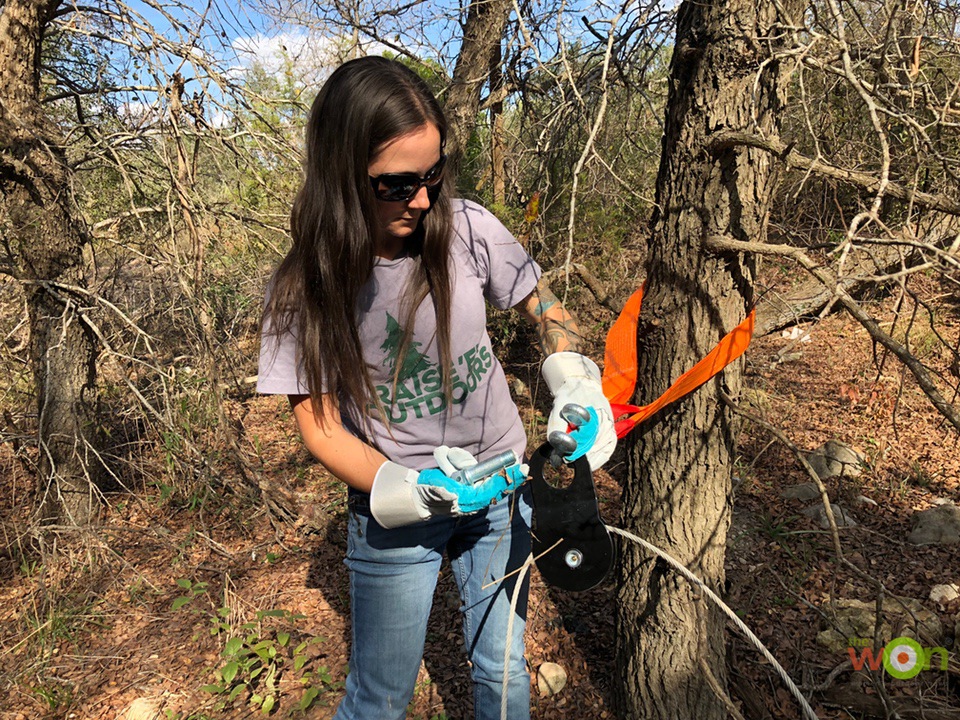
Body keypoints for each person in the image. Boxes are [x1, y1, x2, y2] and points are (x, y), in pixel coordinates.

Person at [257, 56, 615, 720]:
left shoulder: (469, 229)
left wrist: (573, 382)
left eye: (433, 174)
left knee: (503, 663)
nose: (422, 200)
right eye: (397, 184)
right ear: (342, 175)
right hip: (398, 517)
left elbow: (543, 305)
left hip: (504, 494)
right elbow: (321, 428)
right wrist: (410, 485)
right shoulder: (305, 287)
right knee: (379, 696)